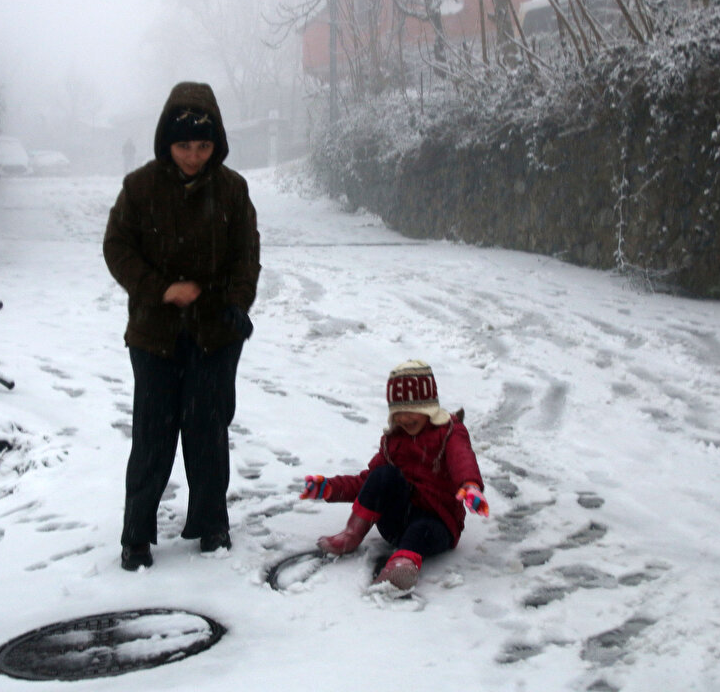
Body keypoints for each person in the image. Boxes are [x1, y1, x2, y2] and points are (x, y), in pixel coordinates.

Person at [103, 81, 261, 572]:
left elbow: (246, 256)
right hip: (155, 335)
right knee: (153, 434)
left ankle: (212, 524)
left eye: (204, 146)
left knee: (207, 429)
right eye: (184, 145)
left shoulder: (232, 190)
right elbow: (117, 248)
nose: (194, 156)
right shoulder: (140, 188)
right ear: (165, 143)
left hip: (216, 332)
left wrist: (237, 304)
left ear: (217, 144)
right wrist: (159, 289)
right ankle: (136, 536)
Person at [299, 360, 491, 590]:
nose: (404, 418)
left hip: (437, 525)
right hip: (396, 523)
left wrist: (470, 485)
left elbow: (462, 458)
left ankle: (403, 565)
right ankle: (351, 534)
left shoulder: (449, 432)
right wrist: (330, 487)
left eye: (412, 411)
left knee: (422, 529)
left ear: (428, 408)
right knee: (383, 474)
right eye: (398, 411)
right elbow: (367, 482)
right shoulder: (394, 441)